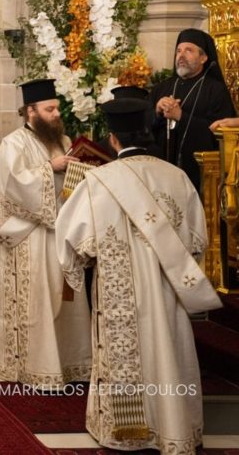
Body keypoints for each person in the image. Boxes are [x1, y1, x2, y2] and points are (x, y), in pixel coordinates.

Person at [56, 98, 221, 453]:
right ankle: (175, 427)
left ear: (112, 138)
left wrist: (77, 270)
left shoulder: (99, 180)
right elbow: (196, 242)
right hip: (169, 292)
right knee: (170, 349)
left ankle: (129, 430)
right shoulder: (176, 176)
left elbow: (72, 241)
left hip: (120, 299)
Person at [0, 78, 91, 388]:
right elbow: (10, 189)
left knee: (64, 302)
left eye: (57, 108)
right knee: (38, 303)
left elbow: (75, 183)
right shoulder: (13, 143)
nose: (57, 114)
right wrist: (49, 169)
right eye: (50, 109)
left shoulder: (65, 141)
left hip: (64, 234)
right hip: (31, 238)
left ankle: (70, 361)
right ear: (31, 111)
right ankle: (32, 364)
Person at [150, 28, 235, 192]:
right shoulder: (162, 88)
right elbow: (143, 128)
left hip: (197, 175)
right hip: (160, 173)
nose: (181, 55)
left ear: (203, 58)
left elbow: (220, 135)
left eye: (189, 50)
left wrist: (181, 116)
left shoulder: (215, 90)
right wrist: (157, 111)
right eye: (178, 51)